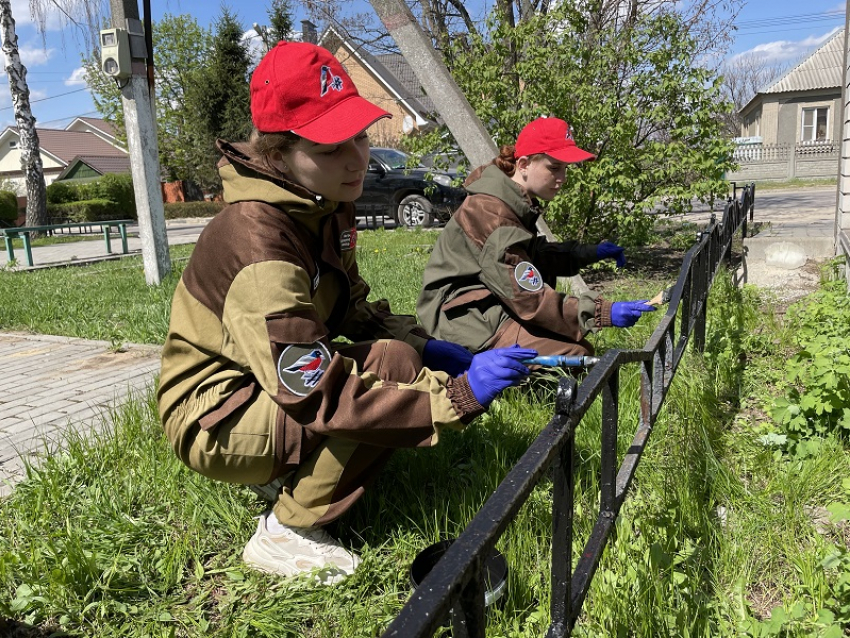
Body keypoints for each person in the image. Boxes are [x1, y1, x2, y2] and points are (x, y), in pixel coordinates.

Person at [156, 41, 537, 585]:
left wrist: (428, 346)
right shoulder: (259, 240)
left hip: (256, 387)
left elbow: (351, 308)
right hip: (214, 416)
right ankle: (288, 530)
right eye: (331, 146)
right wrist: (456, 396)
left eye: (358, 134)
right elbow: (319, 394)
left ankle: (285, 469)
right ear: (277, 153)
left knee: (398, 357)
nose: (358, 158)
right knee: (382, 379)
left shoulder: (323, 206)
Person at [416, 116, 655, 360]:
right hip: (458, 319)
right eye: (554, 168)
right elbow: (528, 298)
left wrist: (590, 252)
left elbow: (533, 255)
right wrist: (601, 312)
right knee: (576, 354)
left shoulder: (511, 199)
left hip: (484, 302)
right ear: (523, 164)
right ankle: (465, 369)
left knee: (568, 341)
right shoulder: (494, 213)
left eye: (565, 169)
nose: (562, 178)